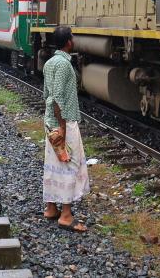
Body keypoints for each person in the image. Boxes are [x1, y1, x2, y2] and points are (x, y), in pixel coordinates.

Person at [42, 26, 89, 233]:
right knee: (69, 166)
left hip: (51, 123)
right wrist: (62, 127)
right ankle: (66, 215)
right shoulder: (63, 65)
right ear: (68, 42)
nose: (74, 39)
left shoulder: (50, 63)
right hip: (64, 123)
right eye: (72, 37)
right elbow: (57, 97)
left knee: (53, 165)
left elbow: (46, 94)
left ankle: (51, 208)